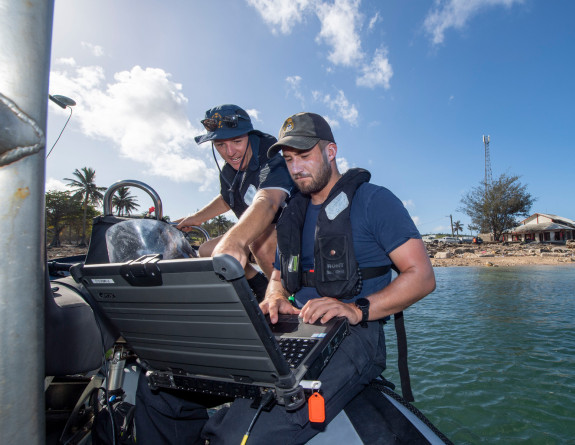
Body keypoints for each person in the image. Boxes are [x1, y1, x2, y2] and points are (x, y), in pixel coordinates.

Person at [199, 112, 436, 444]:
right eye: (289, 159)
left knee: (243, 435)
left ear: (331, 152)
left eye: (304, 156)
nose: (296, 167)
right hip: (297, 329)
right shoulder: (292, 215)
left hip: (354, 334)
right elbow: (279, 273)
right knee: (170, 390)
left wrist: (357, 309)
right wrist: (276, 294)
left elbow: (422, 276)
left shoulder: (374, 201)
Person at [175, 104, 294, 300]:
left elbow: (268, 201)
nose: (230, 152)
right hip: (259, 233)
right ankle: (260, 285)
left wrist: (235, 242)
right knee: (207, 251)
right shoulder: (230, 171)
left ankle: (284, 298)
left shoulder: (271, 159)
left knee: (259, 244)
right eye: (220, 145)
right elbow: (226, 198)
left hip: (291, 232)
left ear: (249, 135)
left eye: (237, 141)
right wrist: (196, 218)